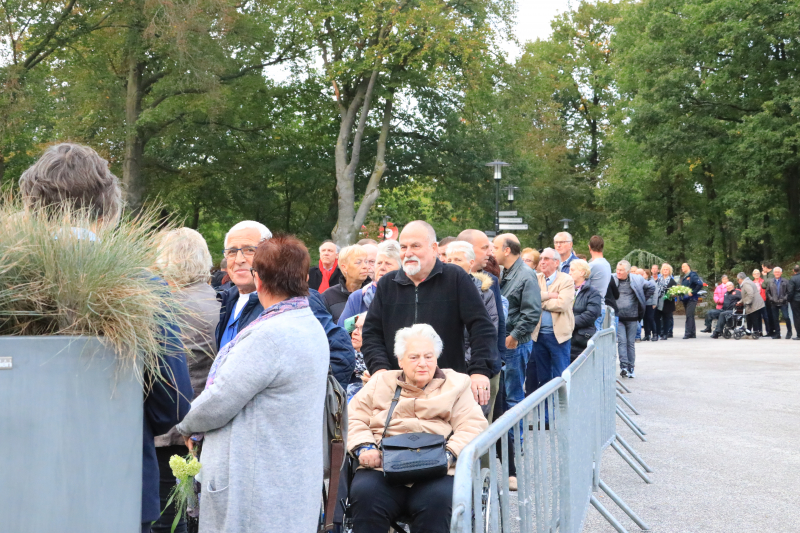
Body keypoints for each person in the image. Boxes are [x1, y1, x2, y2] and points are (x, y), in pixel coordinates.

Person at [19, 143, 193, 533]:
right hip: (119, 483)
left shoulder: (10, 284)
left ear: (31, 207)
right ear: (108, 210)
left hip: (18, 486)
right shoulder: (143, 286)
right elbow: (174, 404)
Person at [177, 235, 329, 533]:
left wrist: (186, 423)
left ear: (258, 280)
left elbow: (219, 400)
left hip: (256, 487)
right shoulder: (307, 323)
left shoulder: (270, 335)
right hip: (283, 479)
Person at [347, 324, 488, 533]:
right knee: (365, 494)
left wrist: (449, 454)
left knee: (439, 502)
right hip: (383, 465)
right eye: (414, 357)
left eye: (429, 357)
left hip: (438, 468)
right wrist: (364, 447)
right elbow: (353, 417)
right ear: (400, 361)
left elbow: (472, 424)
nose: (423, 363)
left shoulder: (457, 384)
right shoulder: (380, 382)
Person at [362, 221, 497, 408]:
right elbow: (371, 333)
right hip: (398, 391)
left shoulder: (455, 278)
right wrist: (380, 370)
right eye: (403, 247)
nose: (408, 253)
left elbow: (481, 327)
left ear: (434, 248)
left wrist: (479, 371)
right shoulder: (387, 284)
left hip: (447, 388)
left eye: (415, 246)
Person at [216, 221, 355, 388]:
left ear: (269, 255)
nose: (239, 259)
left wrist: (298, 399)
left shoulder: (297, 300)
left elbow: (340, 352)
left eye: (249, 250)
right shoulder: (223, 301)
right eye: (232, 252)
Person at [152, 228, 220, 533]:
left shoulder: (160, 306)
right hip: (208, 422)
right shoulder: (222, 304)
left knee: (168, 514)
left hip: (168, 424)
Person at [446, 241, 500, 417]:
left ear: (470, 263)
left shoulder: (485, 293)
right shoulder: (439, 291)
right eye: (449, 259)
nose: (452, 263)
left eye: (458, 259)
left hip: (472, 366)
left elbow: (488, 330)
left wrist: (466, 361)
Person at [493, 234, 542, 405]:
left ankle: (516, 433)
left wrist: (514, 337)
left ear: (506, 250)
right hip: (506, 340)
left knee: (513, 396)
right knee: (504, 395)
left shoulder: (526, 275)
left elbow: (532, 312)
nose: (491, 251)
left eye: (494, 247)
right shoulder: (505, 272)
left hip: (515, 343)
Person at [528, 248, 573, 392]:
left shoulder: (566, 279)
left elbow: (562, 304)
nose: (542, 262)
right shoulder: (535, 278)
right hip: (538, 335)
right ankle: (547, 412)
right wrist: (550, 295)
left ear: (556, 262)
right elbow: (530, 298)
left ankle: (564, 408)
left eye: (546, 259)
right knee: (543, 377)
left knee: (561, 375)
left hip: (558, 336)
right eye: (541, 259)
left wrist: (541, 300)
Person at [338, 240, 401, 327]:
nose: (382, 267)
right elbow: (342, 333)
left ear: (400, 269)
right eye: (379, 263)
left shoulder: (407, 296)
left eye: (388, 264)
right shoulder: (358, 298)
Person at [614, 260, 653, 378]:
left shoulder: (636, 279)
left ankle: (631, 368)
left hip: (632, 317)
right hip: (618, 317)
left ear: (627, 271)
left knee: (630, 343)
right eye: (617, 269)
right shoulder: (613, 278)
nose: (618, 272)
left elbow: (651, 286)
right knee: (622, 342)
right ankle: (623, 367)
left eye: (621, 270)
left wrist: (642, 299)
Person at [322, 244, 371, 323]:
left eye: (366, 262)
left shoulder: (374, 292)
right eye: (358, 262)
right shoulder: (328, 297)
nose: (365, 266)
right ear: (344, 267)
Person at [569, 259, 602, 361]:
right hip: (566, 337)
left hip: (581, 338)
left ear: (582, 272)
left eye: (572, 270)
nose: (569, 273)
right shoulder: (566, 289)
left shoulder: (592, 292)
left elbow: (591, 314)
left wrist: (569, 323)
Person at [588, 235, 612, 329]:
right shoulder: (606, 264)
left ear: (589, 247)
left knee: (592, 341)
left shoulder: (593, 265)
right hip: (601, 305)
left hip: (593, 308)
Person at [345, 312, 368, 401]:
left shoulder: (383, 368)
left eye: (362, 329)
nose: (354, 332)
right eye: (355, 328)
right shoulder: (345, 359)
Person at [765, 267, 792, 339]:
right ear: (773, 273)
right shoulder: (770, 281)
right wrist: (771, 298)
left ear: (781, 273)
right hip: (773, 303)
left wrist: (784, 299)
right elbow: (767, 292)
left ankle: (789, 332)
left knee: (786, 317)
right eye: (776, 272)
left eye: (778, 272)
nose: (777, 273)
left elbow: (789, 292)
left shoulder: (785, 281)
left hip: (783, 302)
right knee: (775, 318)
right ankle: (777, 334)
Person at [679, 262, 703, 339]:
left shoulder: (692, 275)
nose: (682, 268)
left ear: (688, 267)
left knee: (689, 315)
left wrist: (693, 292)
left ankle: (688, 333)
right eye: (682, 267)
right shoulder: (685, 276)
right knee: (690, 316)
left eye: (684, 266)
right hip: (685, 298)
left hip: (692, 299)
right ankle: (692, 333)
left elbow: (700, 284)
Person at [654, 263, 676, 341]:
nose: (665, 271)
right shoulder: (658, 280)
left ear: (669, 271)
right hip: (658, 301)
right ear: (661, 271)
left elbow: (675, 292)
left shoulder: (672, 281)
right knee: (656, 318)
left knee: (666, 318)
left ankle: (665, 334)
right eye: (664, 269)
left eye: (667, 269)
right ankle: (657, 333)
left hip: (667, 302)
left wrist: (673, 294)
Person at [641, 269, 658, 341]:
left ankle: (655, 334)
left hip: (650, 303)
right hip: (644, 303)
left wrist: (654, 303)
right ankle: (647, 334)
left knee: (651, 318)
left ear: (647, 274)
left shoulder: (651, 282)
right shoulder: (642, 281)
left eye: (644, 274)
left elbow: (655, 293)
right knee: (645, 319)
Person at [789, 265, 800, 340]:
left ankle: (799, 334)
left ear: (793, 270)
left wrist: (789, 299)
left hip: (796, 299)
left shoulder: (793, 279)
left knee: (797, 317)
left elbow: (791, 291)